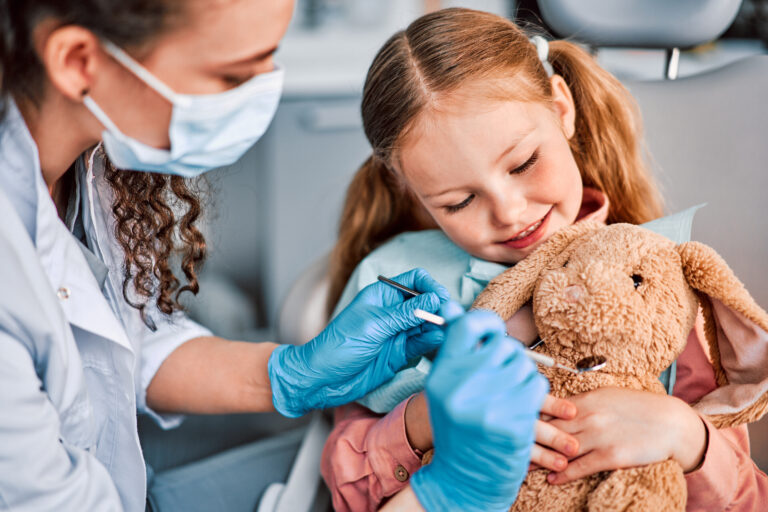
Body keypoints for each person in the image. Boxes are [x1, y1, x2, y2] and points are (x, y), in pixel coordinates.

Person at [0, 1, 548, 511]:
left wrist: (292, 373)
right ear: (77, 61)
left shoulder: (84, 166)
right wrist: (451, 494)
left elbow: (125, 347)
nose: (260, 95)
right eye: (233, 76)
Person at [321, 7, 768, 512]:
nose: (509, 213)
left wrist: (684, 434)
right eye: (459, 202)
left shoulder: (656, 278)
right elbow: (344, 480)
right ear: (412, 191)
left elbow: (749, 499)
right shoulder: (395, 291)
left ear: (560, 109)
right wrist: (424, 419)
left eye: (524, 163)